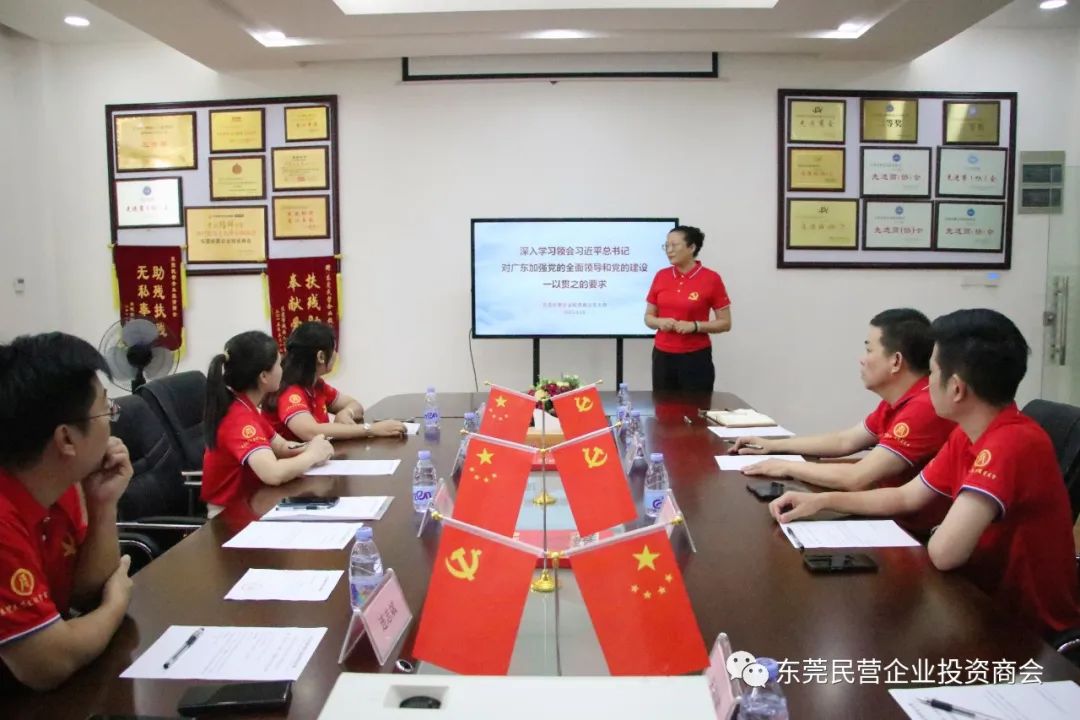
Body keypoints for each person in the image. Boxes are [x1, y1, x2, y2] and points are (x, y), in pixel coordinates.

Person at [769, 309, 1080, 636]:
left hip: (1023, 632)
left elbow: (944, 553)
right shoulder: (969, 433)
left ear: (956, 389)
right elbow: (906, 496)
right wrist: (822, 502)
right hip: (973, 601)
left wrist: (938, 530)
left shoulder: (1011, 443)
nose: (926, 382)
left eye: (932, 371)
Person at [734, 308, 955, 535]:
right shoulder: (901, 400)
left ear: (896, 361)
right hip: (887, 517)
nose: (862, 359)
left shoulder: (923, 407)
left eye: (869, 350)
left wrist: (785, 466)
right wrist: (773, 445)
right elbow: (845, 441)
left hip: (910, 531)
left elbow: (856, 477)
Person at [0, 333, 134, 691]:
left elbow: (85, 593)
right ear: (65, 440)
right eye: (107, 410)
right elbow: (48, 663)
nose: (112, 423)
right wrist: (116, 603)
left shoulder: (60, 484)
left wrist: (103, 504)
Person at [201, 330, 333, 517]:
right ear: (264, 376)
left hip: (255, 501)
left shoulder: (245, 405)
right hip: (229, 516)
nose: (282, 369)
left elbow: (281, 446)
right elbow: (273, 473)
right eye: (279, 364)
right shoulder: (238, 418)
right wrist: (312, 455)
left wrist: (313, 445)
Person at [263, 322, 405, 442]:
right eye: (333, 350)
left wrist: (346, 412)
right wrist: (372, 429)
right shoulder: (290, 391)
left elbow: (355, 405)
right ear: (321, 356)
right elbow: (310, 432)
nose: (336, 355)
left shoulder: (316, 385)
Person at [644, 225, 732, 392]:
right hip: (662, 356)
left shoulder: (711, 278)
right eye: (666, 246)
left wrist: (695, 326)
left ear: (692, 247)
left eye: (674, 245)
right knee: (662, 405)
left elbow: (725, 323)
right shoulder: (661, 276)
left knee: (696, 405)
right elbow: (648, 317)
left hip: (695, 357)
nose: (669, 250)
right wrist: (660, 322)